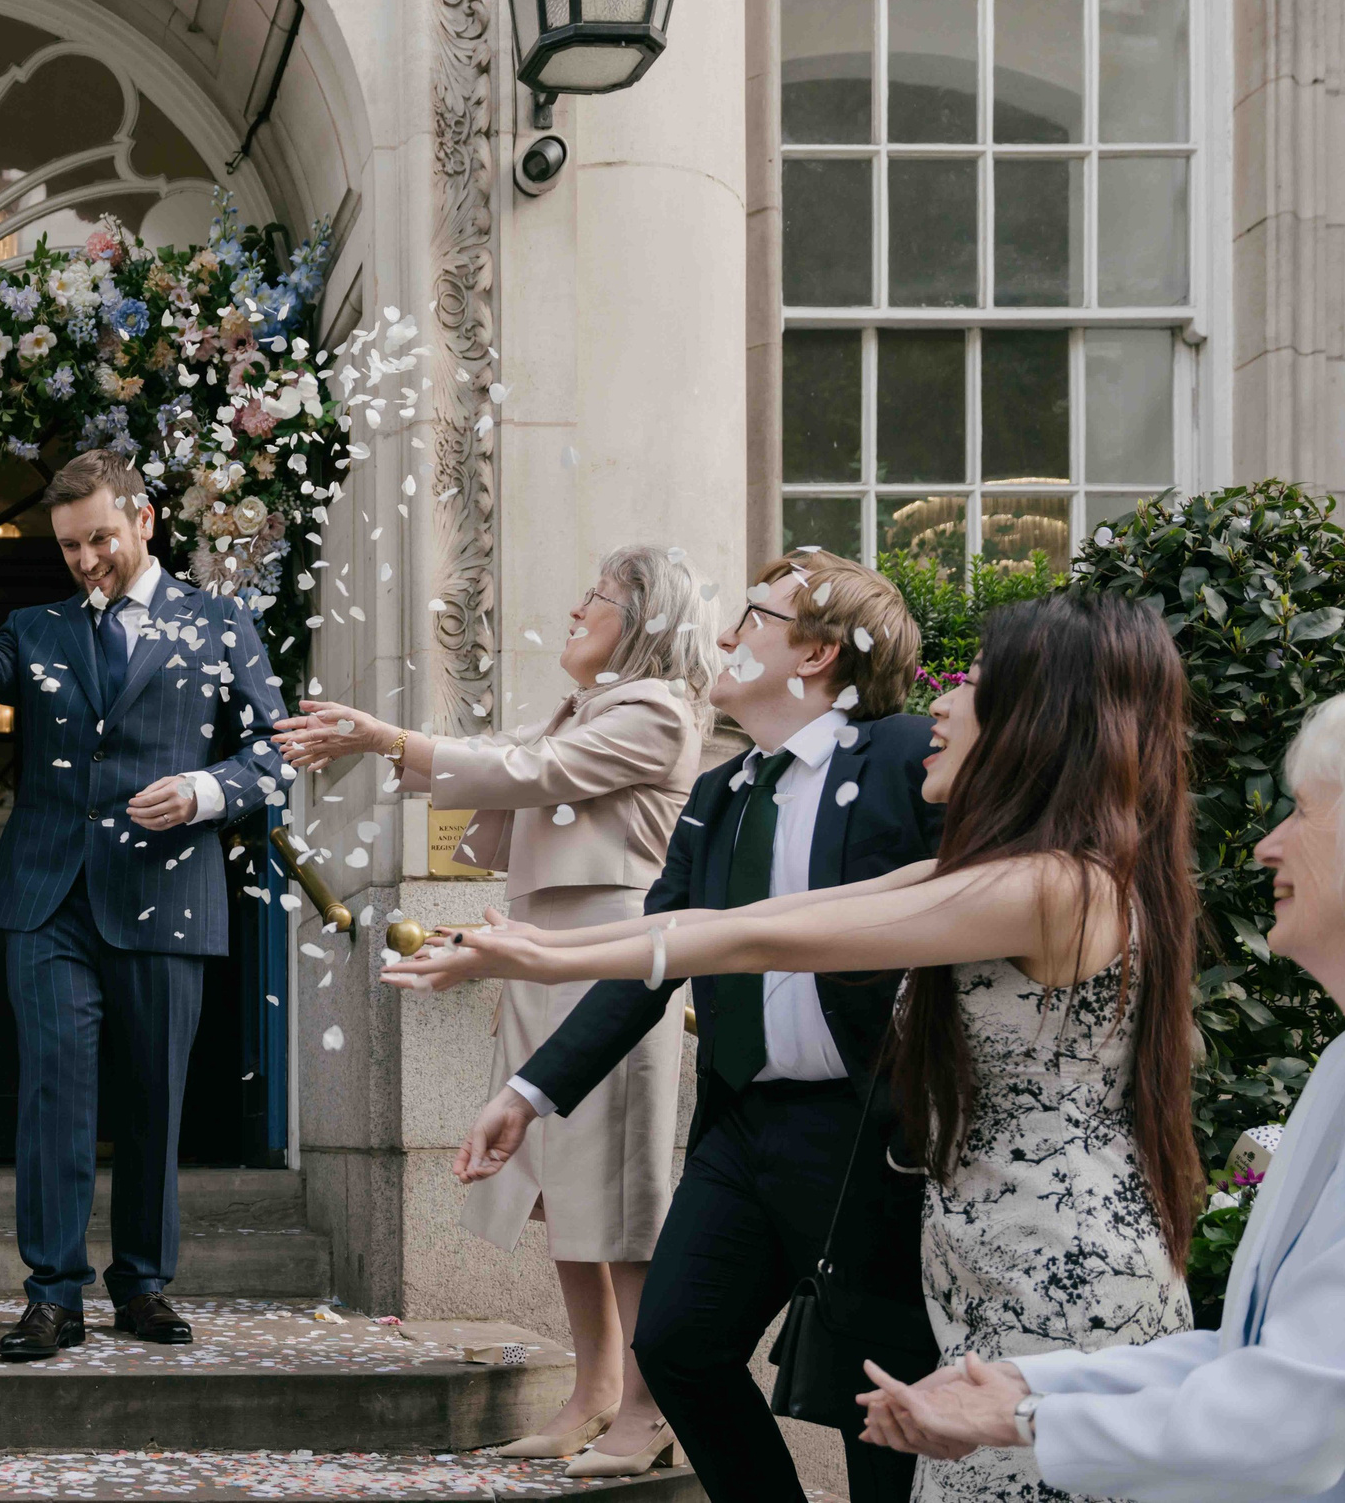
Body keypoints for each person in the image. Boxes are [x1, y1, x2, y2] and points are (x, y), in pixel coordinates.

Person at [394, 588, 1206, 1503]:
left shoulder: (1052, 886)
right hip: (981, 1265)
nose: (942, 698)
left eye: (973, 681)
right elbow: (765, 916)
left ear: (1039, 717)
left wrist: (543, 957)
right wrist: (545, 951)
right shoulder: (993, 870)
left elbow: (763, 941)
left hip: (1056, 1271)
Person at [384, 550, 943, 1503]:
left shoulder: (903, 757)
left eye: (755, 617)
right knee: (679, 1344)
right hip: (741, 1128)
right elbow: (655, 955)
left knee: (874, 1387)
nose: (727, 635)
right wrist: (529, 1092)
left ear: (814, 652)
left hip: (865, 1129)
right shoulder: (722, 795)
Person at [856, 688, 1345, 1503]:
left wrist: (1029, 1416)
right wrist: (1024, 1386)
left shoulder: (1062, 890)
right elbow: (1245, 1354)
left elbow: (1291, 1414)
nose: (1267, 845)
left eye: (1302, 811)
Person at [273, 545, 714, 1476]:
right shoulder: (590, 705)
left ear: (643, 620)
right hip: (541, 958)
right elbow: (521, 801)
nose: (576, 607)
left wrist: (385, 738)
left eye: (597, 596)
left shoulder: (659, 711)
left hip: (613, 966)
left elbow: (534, 770)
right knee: (556, 1183)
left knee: (621, 1199)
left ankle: (648, 1405)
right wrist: (475, 949)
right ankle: (594, 1389)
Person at [0, 450, 290, 1362]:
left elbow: (277, 753)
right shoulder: (38, 628)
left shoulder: (221, 619)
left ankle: (144, 1284)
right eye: (71, 546)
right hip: (48, 896)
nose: (85, 560)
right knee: (52, 1096)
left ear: (145, 518)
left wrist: (203, 791)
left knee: (155, 1094)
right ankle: (52, 1295)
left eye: (100, 539)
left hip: (169, 890)